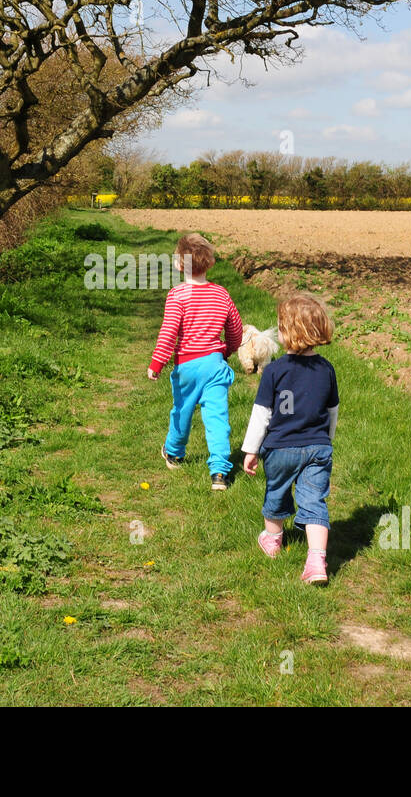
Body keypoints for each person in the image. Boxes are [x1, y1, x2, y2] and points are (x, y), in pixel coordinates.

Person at [241, 294, 339, 584]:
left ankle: (272, 539)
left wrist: (251, 450)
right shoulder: (326, 370)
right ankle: (316, 561)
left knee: (277, 491)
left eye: (281, 327)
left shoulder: (274, 371)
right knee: (315, 501)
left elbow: (262, 415)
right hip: (318, 448)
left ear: (289, 334)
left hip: (280, 448)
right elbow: (331, 411)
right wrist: (327, 439)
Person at [147, 233, 243, 491]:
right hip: (215, 365)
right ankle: (220, 472)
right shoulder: (221, 294)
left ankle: (175, 452)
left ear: (179, 265)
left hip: (188, 366)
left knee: (182, 410)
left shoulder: (177, 296)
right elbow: (235, 328)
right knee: (217, 418)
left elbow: (168, 334)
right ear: (210, 263)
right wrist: (229, 350)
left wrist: (157, 363)